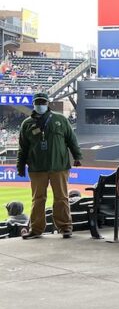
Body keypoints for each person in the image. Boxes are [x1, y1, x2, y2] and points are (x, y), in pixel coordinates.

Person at [17, 93, 83, 239]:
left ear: (47, 103)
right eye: (37, 102)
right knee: (38, 199)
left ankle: (65, 227)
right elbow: (23, 148)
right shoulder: (27, 124)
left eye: (42, 102)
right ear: (34, 104)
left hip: (59, 166)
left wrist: (77, 157)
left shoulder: (60, 119)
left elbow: (72, 140)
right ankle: (35, 229)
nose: (40, 104)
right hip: (36, 167)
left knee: (61, 198)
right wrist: (20, 166)